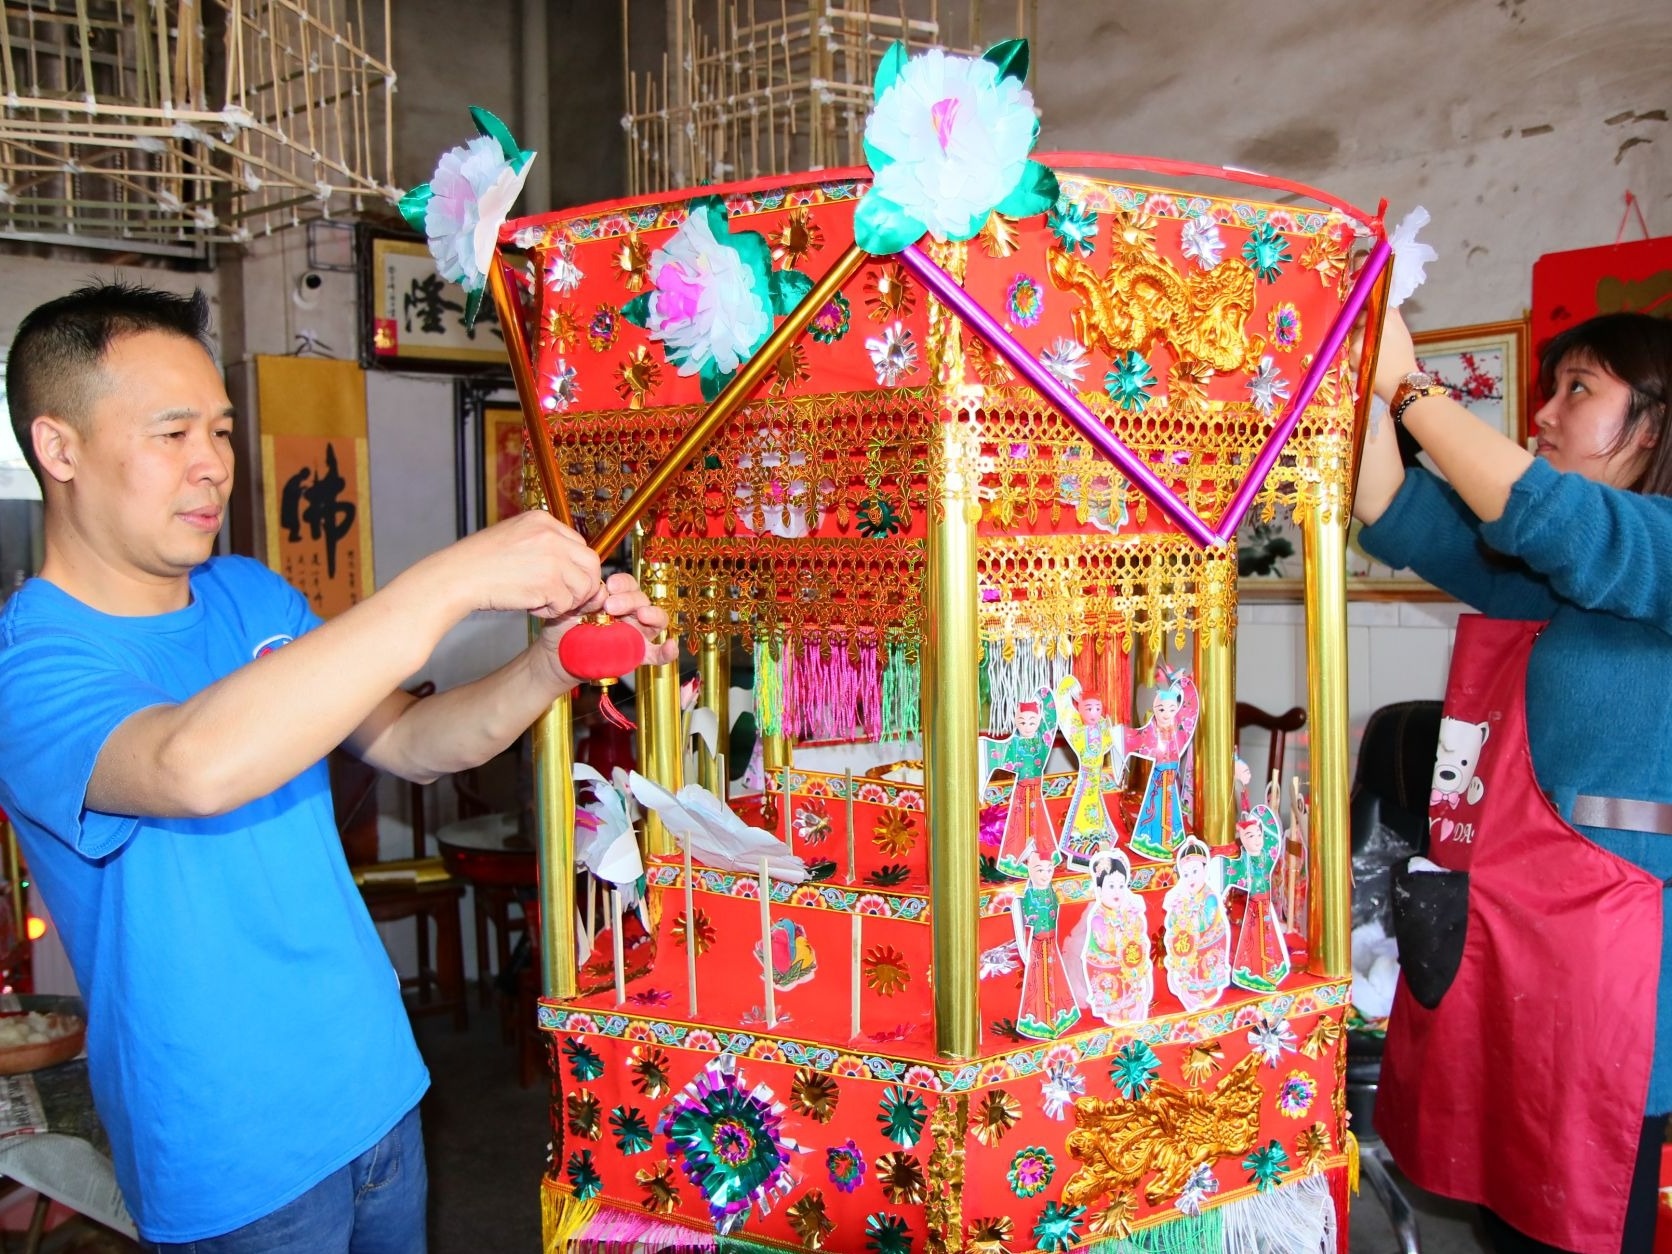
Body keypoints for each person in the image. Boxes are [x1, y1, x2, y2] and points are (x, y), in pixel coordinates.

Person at [0, 282, 676, 1253]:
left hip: (373, 1084)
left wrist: (551, 664)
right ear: (58, 449)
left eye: (220, 432)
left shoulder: (248, 594)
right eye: (173, 433)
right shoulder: (33, 666)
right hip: (231, 1144)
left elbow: (415, 741)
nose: (212, 464)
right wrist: (453, 579)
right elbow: (192, 766)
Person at [1354, 305, 1672, 1254]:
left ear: (1651, 425)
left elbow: (1557, 516)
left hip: (1619, 983)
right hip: (1518, 949)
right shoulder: (1557, 581)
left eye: (1579, 390)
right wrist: (1356, 374)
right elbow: (1394, 510)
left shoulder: (1649, 551)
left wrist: (1411, 387)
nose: (1544, 413)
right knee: (1508, 1217)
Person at [978, 687, 1059, 879]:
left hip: (1037, 792)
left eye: (1032, 721)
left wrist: (1042, 693)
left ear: (1038, 721)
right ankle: (1017, 861)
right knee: (1018, 825)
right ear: (1015, 721)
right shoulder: (1013, 744)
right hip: (1021, 793)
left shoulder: (1043, 740)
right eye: (1022, 721)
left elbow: (1051, 720)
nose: (1027, 726)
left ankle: (1042, 862)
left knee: (1039, 825)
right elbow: (993, 753)